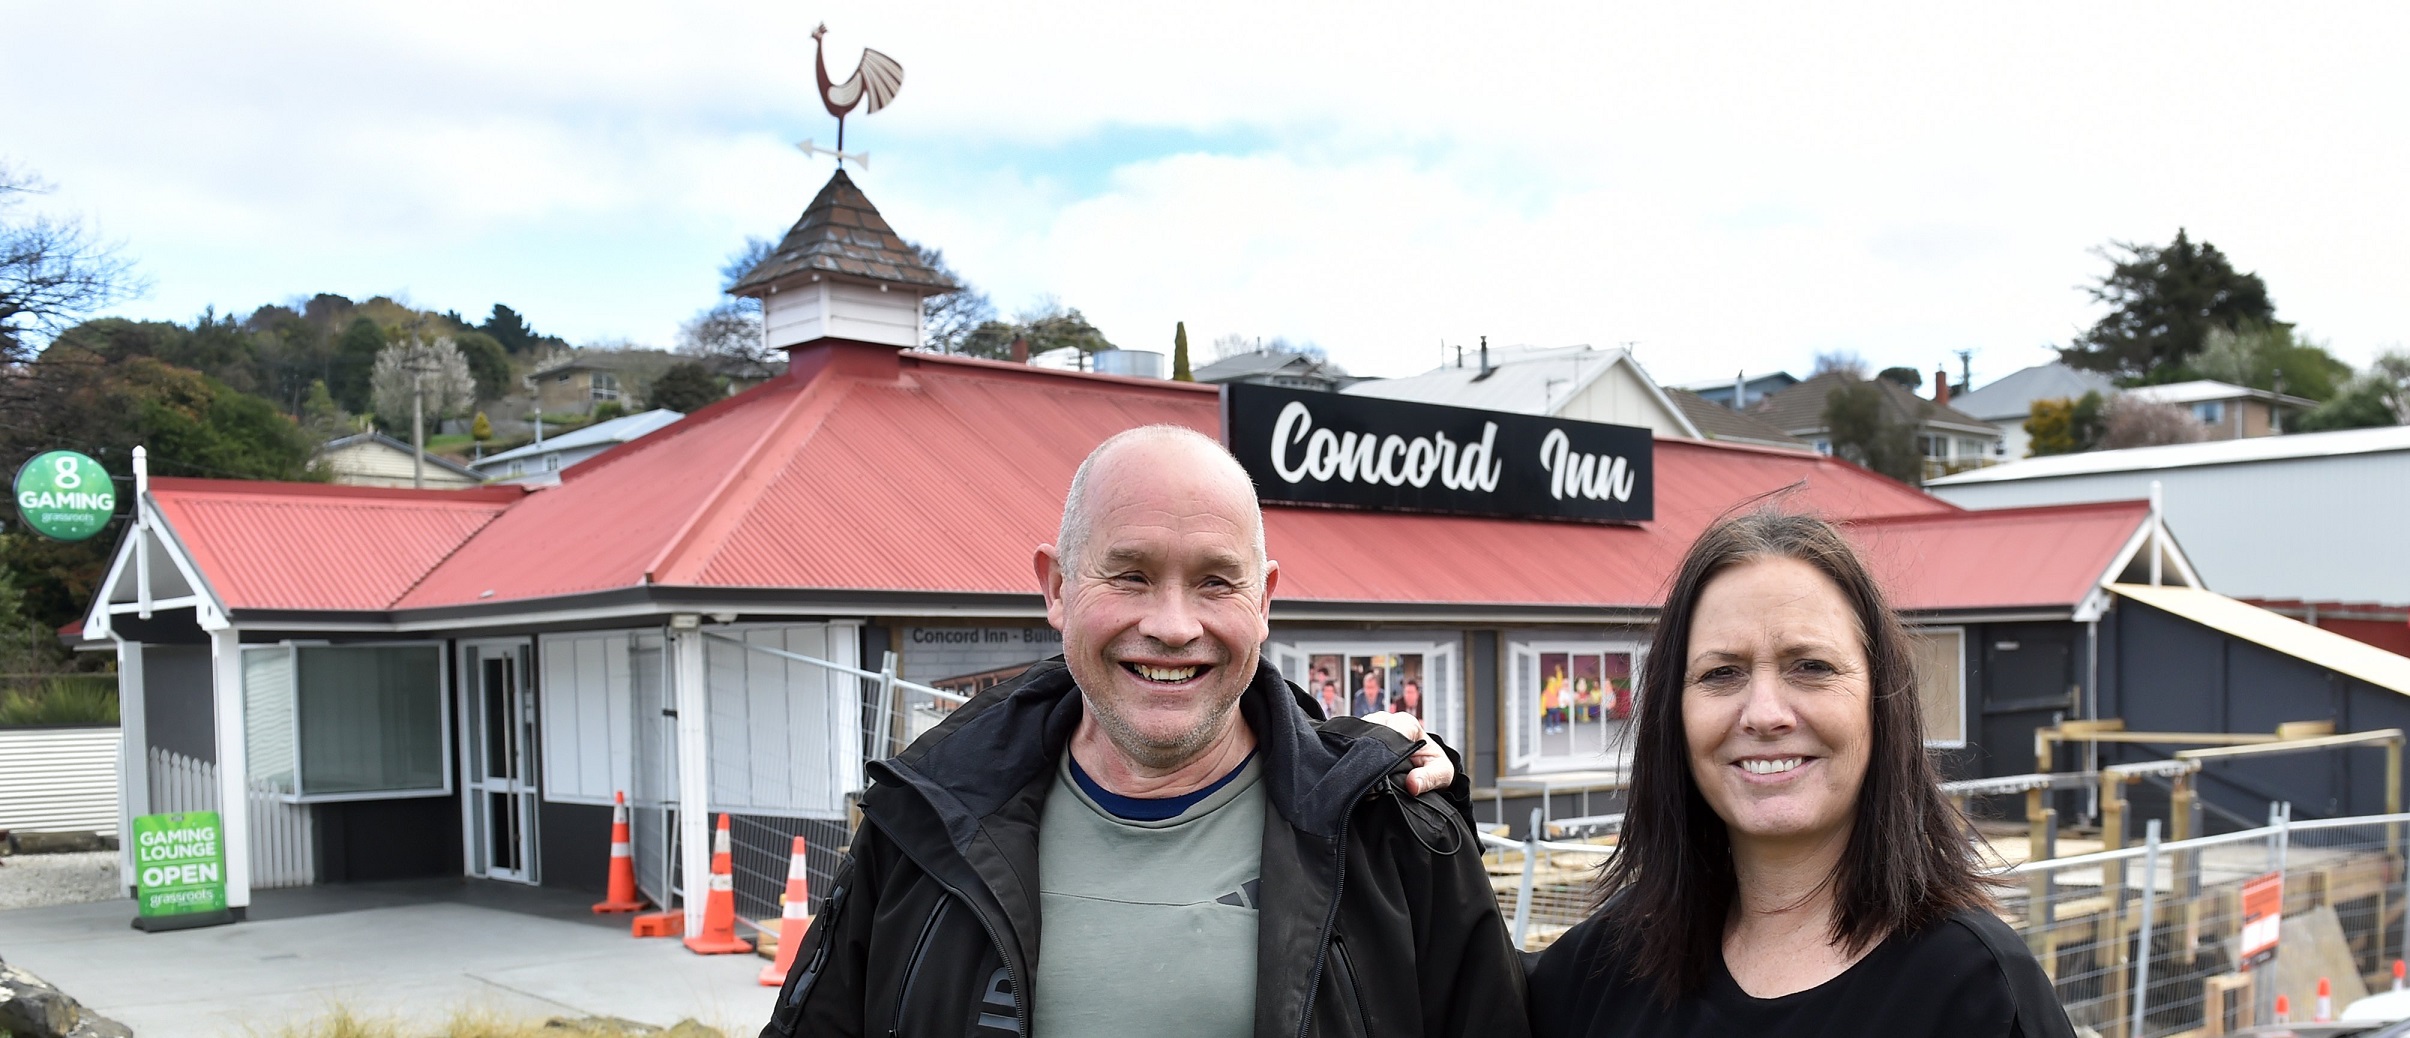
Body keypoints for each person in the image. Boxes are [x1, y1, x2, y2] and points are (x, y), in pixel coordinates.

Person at [761, 425, 1526, 1038]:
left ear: (1264, 600)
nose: (1170, 625)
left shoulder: (1393, 835)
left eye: (1216, 582)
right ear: (1057, 588)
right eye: (1128, 575)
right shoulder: (922, 822)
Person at [1526, 511, 2075, 1037]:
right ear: (1674, 713)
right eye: (1722, 673)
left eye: (1811, 667)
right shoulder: (1606, 967)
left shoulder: (1977, 993)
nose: (1765, 713)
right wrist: (1440, 813)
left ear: (1882, 703)